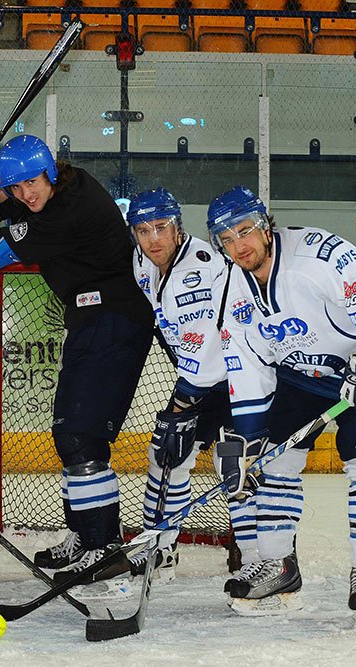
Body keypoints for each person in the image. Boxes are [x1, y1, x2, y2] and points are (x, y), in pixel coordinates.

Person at [0, 135, 155, 588]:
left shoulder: (67, 210)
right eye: (18, 186)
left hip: (113, 320)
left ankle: (103, 545)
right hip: (93, 320)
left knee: (79, 435)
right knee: (71, 435)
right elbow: (26, 219)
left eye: (31, 182)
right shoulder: (67, 188)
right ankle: (85, 536)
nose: (26, 193)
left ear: (48, 171)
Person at [207, 186, 356, 615]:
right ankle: (279, 564)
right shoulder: (231, 290)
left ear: (265, 226)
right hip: (303, 377)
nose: (238, 246)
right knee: (274, 461)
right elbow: (248, 366)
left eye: (244, 232)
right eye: (226, 239)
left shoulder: (317, 256)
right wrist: (249, 440)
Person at [125, 188, 235, 583]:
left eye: (161, 228)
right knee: (166, 456)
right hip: (199, 373)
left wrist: (181, 406)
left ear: (177, 228)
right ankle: (161, 548)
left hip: (237, 378)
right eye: (143, 230)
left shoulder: (197, 271)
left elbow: (207, 347)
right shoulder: (143, 261)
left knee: (234, 464)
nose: (153, 239)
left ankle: (262, 553)